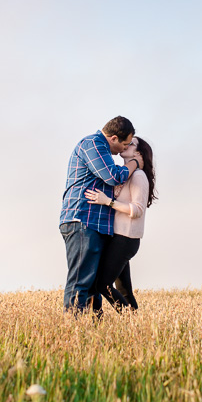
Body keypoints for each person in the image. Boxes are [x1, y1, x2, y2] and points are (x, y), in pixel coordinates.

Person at [59, 116, 142, 312]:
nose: (124, 149)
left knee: (93, 283)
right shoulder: (93, 144)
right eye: (125, 144)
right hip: (82, 220)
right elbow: (113, 177)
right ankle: (73, 326)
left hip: (94, 223)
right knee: (81, 280)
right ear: (113, 138)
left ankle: (94, 328)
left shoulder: (103, 150)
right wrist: (135, 163)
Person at [84, 136, 156, 312]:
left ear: (138, 154)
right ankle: (134, 323)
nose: (126, 144)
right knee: (124, 289)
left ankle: (128, 319)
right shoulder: (125, 174)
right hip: (117, 237)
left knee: (103, 284)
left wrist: (108, 202)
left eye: (131, 144)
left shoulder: (138, 176)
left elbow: (137, 210)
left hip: (126, 238)